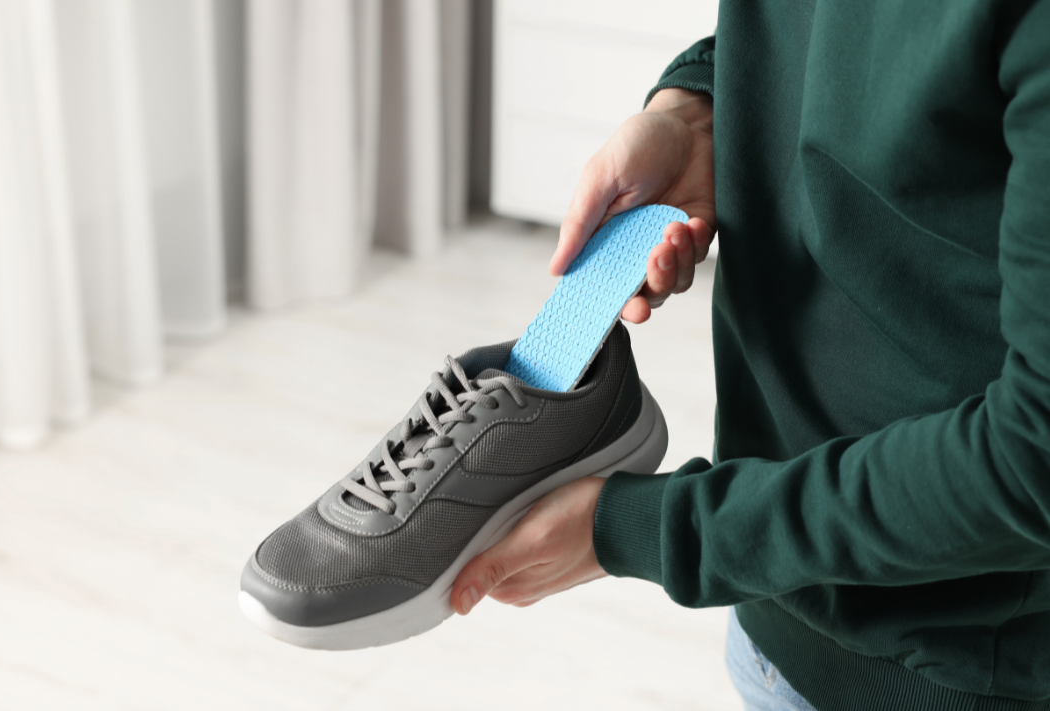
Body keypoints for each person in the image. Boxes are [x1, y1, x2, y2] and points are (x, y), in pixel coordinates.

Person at [450, 1, 1050, 709]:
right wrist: (694, 112)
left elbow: (1032, 460)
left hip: (948, 669)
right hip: (770, 587)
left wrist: (657, 531)